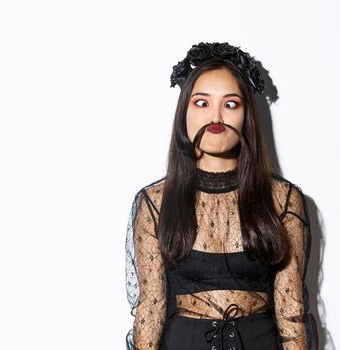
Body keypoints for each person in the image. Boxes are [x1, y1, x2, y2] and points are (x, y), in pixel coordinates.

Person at [124, 42, 316, 350]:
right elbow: (151, 307)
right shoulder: (155, 201)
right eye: (202, 103)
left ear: (246, 115)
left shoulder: (283, 199)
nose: (216, 115)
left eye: (230, 104)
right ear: (183, 112)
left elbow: (291, 311)